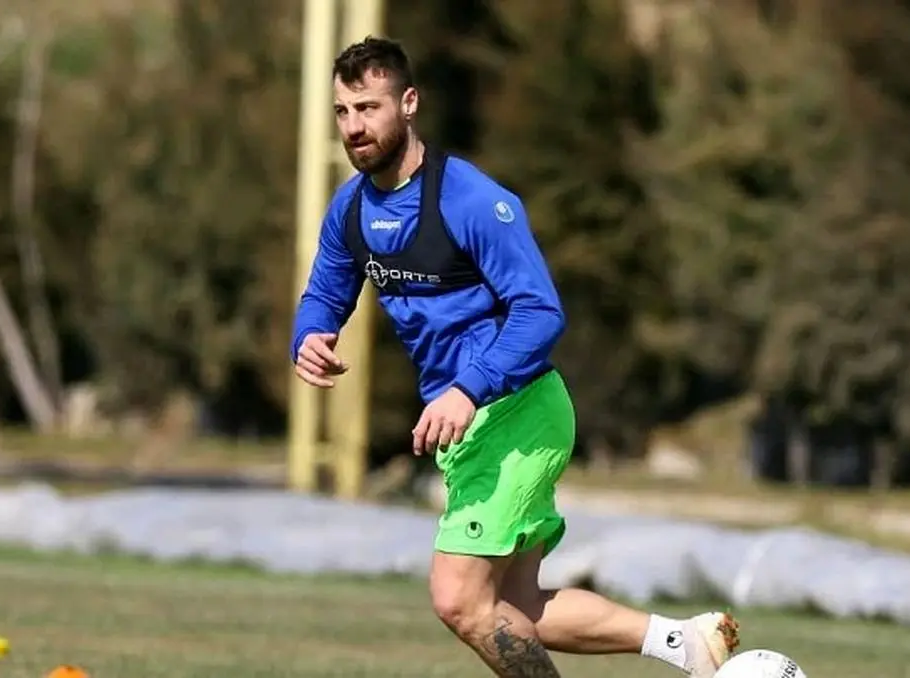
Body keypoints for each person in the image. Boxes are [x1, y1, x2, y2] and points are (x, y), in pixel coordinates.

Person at [290, 36, 740, 678]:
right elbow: (326, 291)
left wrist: (466, 388)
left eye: (369, 108)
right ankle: (685, 643)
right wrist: (311, 334)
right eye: (342, 111)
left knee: (458, 599)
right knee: (514, 606)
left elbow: (540, 312)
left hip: (514, 412)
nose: (354, 127)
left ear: (409, 103)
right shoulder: (353, 208)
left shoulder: (471, 201)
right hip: (469, 427)